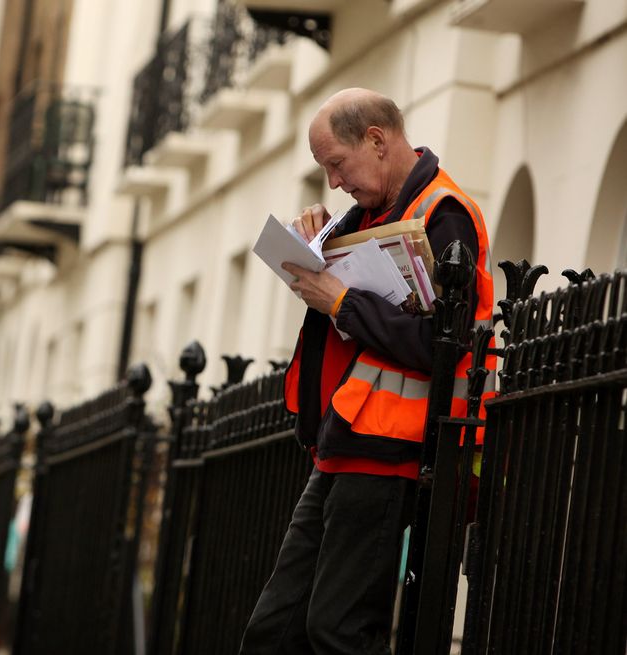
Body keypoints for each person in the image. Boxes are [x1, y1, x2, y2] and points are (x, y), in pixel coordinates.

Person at [239, 88, 495, 654]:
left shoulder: (443, 213)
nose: (333, 182)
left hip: (394, 451)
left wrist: (340, 299)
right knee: (274, 633)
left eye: (336, 164)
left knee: (339, 632)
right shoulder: (375, 214)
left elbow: (443, 346)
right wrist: (319, 249)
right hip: (348, 440)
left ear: (376, 141)